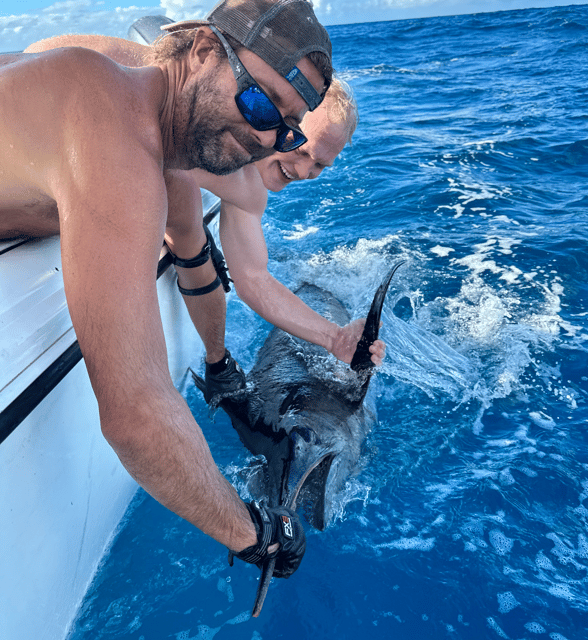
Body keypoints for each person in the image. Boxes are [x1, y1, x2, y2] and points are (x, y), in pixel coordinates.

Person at [1, 0, 335, 579]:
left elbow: (195, 254)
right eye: (258, 101)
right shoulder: (115, 134)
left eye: (282, 129)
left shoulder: (159, 141)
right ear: (204, 51)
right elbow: (135, 415)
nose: (263, 137)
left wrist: (221, 368)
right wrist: (257, 534)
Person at [26, 30, 381, 409]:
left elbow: (254, 279)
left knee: (184, 209)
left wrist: (334, 338)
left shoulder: (247, 191)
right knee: (183, 207)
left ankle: (217, 359)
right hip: (48, 129)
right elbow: (48, 54)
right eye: (300, 146)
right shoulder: (175, 94)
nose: (305, 170)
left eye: (320, 166)